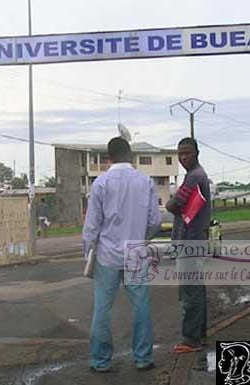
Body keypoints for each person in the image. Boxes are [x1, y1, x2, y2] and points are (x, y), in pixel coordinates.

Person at [83, 136, 161, 372]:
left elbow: (92, 226)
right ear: (131, 155)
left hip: (107, 254)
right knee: (141, 306)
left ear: (108, 157)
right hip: (136, 252)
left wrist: (88, 253)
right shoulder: (145, 181)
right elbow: (155, 221)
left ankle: (100, 361)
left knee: (102, 309)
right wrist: (142, 239)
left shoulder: (101, 183)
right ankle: (143, 358)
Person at [165, 137, 211, 353]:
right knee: (197, 289)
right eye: (180, 154)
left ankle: (190, 340)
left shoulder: (194, 178)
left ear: (197, 153)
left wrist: (169, 203)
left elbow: (174, 206)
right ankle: (199, 333)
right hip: (196, 241)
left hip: (189, 243)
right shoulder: (197, 175)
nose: (183, 158)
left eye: (187, 153)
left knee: (190, 292)